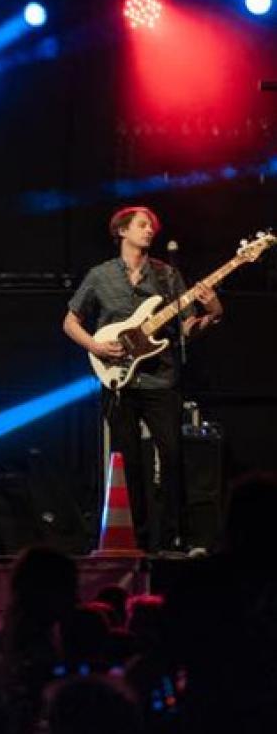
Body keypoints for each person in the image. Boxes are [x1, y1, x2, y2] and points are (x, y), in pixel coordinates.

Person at [62, 206, 223, 551]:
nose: (149, 230)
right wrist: (96, 346)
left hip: (161, 380)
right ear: (122, 231)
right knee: (128, 461)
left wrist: (212, 315)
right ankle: (139, 538)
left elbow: (185, 330)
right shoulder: (100, 276)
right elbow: (70, 321)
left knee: (173, 455)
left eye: (151, 226)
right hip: (119, 381)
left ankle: (173, 537)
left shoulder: (166, 276)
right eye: (141, 225)